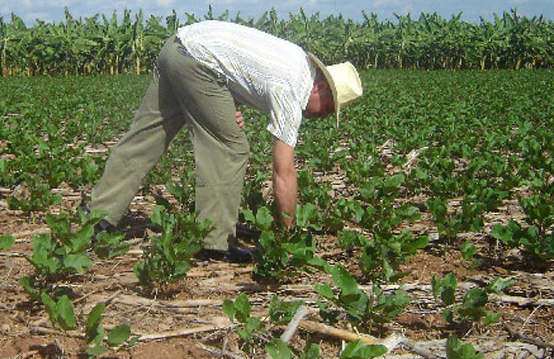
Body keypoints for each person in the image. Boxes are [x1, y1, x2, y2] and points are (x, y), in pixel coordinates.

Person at [82, 20, 363, 262]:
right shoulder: (293, 87)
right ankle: (214, 241)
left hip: (177, 47)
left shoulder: (295, 62)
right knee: (232, 147)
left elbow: (240, 71)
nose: (324, 116)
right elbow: (283, 171)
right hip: (197, 62)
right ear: (321, 86)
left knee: (146, 136)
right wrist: (289, 236)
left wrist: (229, 106)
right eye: (328, 108)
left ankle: (98, 217)